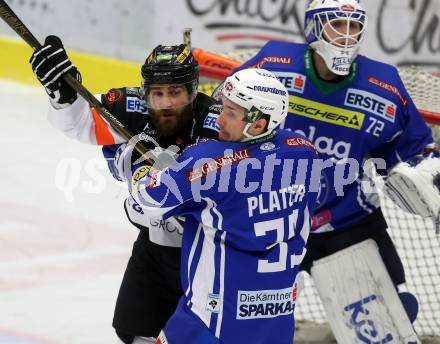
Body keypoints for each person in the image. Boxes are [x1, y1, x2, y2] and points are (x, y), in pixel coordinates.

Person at [234, 0, 440, 336]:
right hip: (273, 216)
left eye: (353, 25)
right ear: (315, 27)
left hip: (349, 220)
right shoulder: (273, 64)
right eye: (336, 24)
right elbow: (227, 116)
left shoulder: (383, 85)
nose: (346, 35)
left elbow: (414, 148)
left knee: (389, 317)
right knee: (247, 322)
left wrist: (432, 177)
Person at [29, 37, 221, 343]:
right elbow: (82, 123)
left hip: (206, 256)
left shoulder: (217, 125)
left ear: (193, 90)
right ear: (145, 92)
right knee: (134, 330)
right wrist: (64, 97)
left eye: (175, 92)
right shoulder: (129, 109)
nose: (166, 102)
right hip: (154, 249)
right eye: (157, 93)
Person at [115, 68, 320, 344]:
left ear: (259, 123)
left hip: (211, 323)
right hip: (276, 322)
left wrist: (135, 165)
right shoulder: (305, 150)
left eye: (231, 113)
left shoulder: (209, 163)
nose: (219, 118)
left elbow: (150, 199)